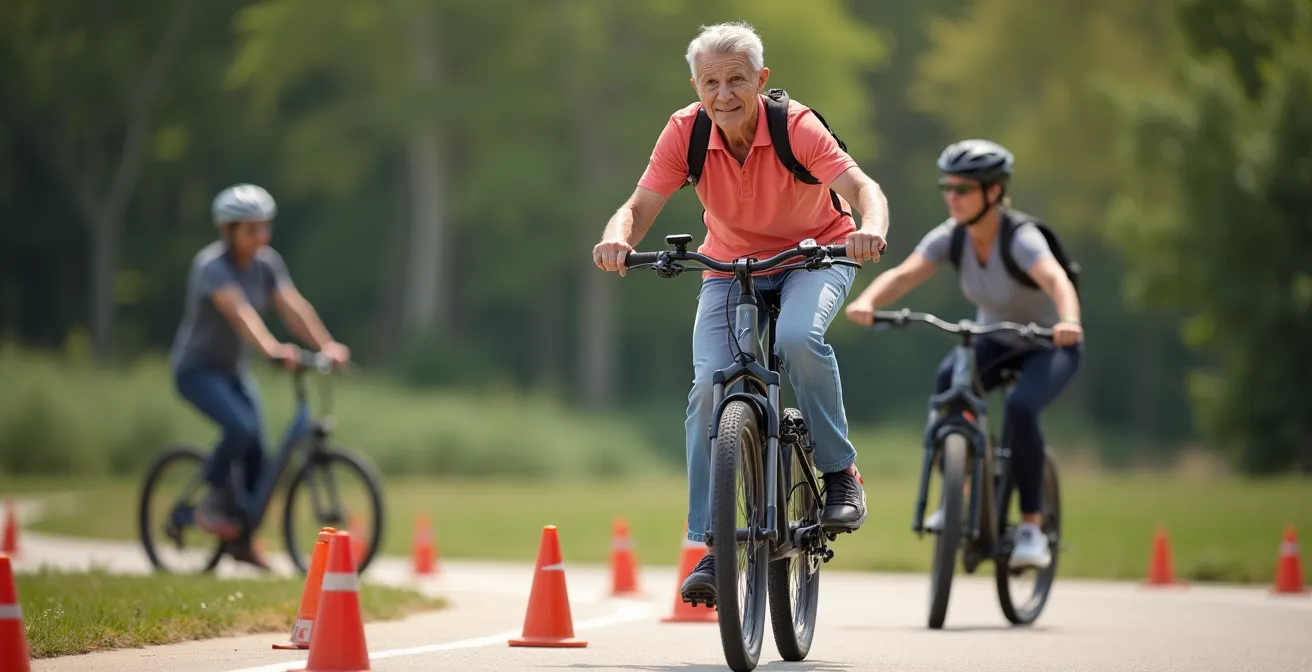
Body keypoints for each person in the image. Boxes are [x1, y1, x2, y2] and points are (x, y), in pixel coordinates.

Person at [592, 22, 891, 604]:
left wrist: (871, 230)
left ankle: (838, 475)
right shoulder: (685, 131)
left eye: (736, 80)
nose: (723, 94)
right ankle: (712, 544)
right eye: (711, 82)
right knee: (709, 385)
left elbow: (862, 189)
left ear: (761, 79)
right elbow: (637, 207)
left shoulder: (795, 127)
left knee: (800, 341)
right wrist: (616, 238)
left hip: (816, 254)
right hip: (730, 267)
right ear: (695, 85)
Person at [843, 139, 1083, 569]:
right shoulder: (951, 237)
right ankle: (961, 492)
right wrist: (869, 302)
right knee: (946, 381)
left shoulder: (1022, 239)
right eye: (947, 188)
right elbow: (905, 274)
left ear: (993, 193)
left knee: (1023, 411)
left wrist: (1068, 321)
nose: (951, 197)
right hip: (996, 339)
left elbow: (1057, 280)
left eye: (963, 189)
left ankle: (1031, 527)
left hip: (1049, 344)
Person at [168, 183, 350, 569]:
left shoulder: (267, 263)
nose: (261, 237)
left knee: (259, 449)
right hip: (197, 370)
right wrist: (271, 350)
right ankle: (212, 502)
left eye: (264, 228)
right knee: (241, 428)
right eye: (251, 230)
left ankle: (243, 539)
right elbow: (240, 313)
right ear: (229, 231)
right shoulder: (211, 267)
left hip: (233, 372)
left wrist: (326, 345)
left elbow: (291, 306)